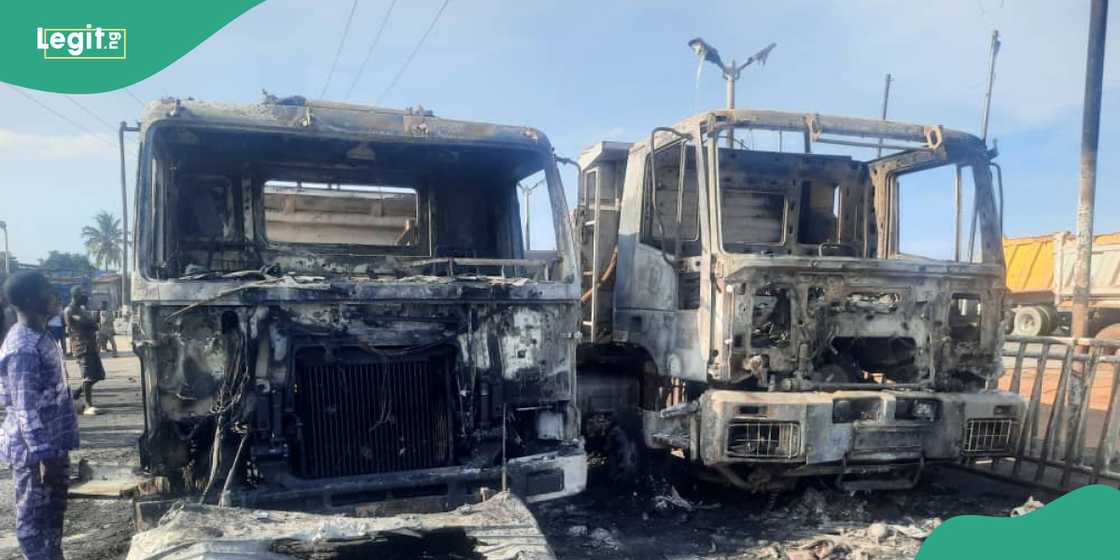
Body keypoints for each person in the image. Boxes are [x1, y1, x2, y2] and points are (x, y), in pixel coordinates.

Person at [1, 271, 81, 560]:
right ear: (29, 300)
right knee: (33, 520)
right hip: (34, 453)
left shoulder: (42, 335)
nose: (54, 295)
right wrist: (43, 456)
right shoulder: (23, 347)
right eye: (47, 290)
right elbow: (24, 408)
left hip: (52, 445)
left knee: (52, 515)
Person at [64, 287, 104, 416]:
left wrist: (92, 320)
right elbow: (88, 323)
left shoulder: (81, 310)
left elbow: (94, 323)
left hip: (91, 345)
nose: (85, 298)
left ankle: (76, 393)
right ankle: (88, 405)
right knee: (88, 376)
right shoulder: (70, 310)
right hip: (81, 346)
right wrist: (91, 321)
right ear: (76, 296)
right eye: (83, 296)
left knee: (98, 375)